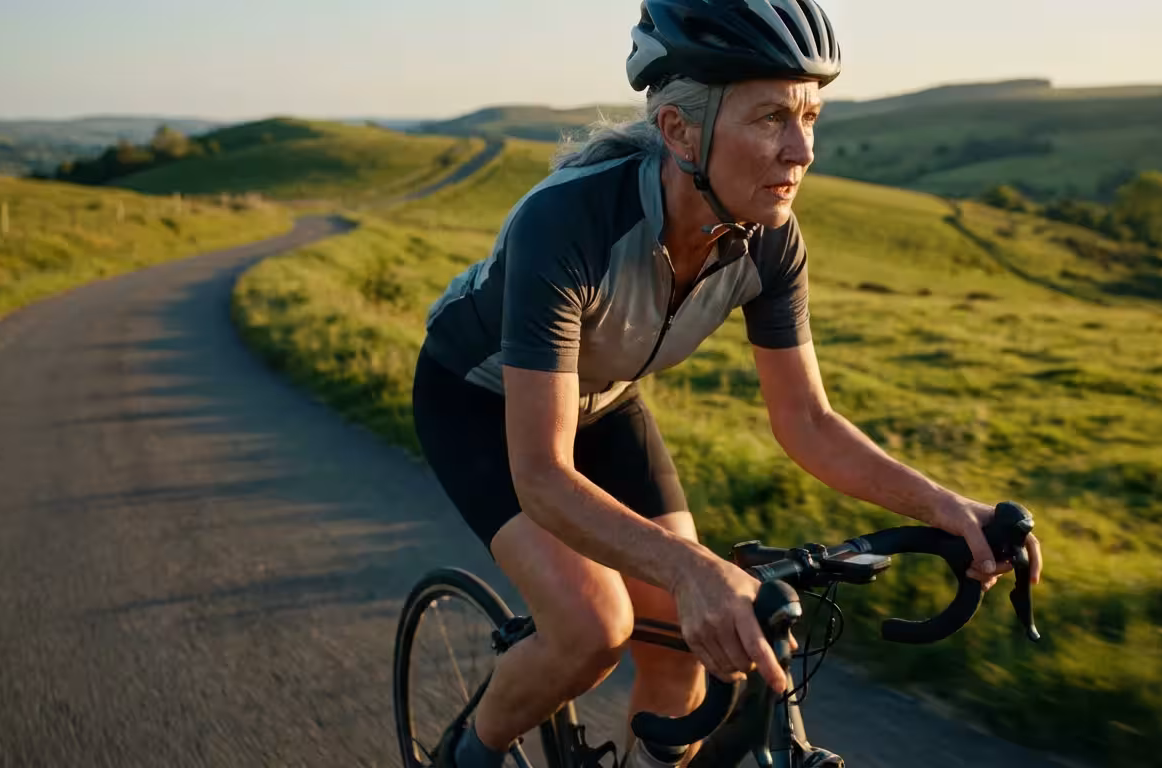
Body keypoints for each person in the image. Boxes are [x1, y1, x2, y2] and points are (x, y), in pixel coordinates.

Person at [411, 0, 1045, 765]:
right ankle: (465, 754)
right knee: (592, 627)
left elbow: (806, 420)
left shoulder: (770, 241)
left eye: (811, 114)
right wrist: (690, 567)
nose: (802, 149)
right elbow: (543, 475)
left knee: (689, 639)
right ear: (679, 132)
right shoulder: (568, 224)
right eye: (772, 117)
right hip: (478, 401)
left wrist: (946, 509)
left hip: (604, 402)